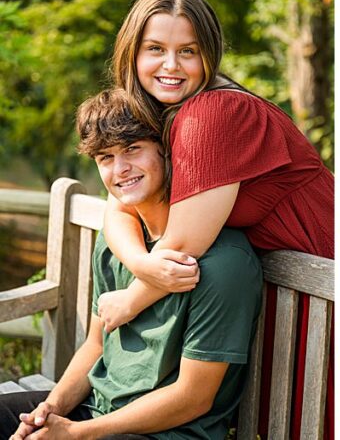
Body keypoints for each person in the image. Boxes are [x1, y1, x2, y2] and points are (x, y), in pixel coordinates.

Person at [98, 0, 333, 439]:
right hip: (276, 290)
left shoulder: (215, 112)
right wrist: (142, 263)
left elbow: (185, 246)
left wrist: (128, 299)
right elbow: (119, 207)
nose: (171, 65)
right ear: (132, 53)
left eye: (187, 50)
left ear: (209, 53)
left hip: (319, 282)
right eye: (155, 49)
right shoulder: (164, 111)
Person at [4, 89, 261, 439]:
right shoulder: (119, 242)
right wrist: (53, 407)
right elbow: (96, 345)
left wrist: (78, 433)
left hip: (168, 432)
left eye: (132, 149)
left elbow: (193, 399)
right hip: (97, 411)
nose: (120, 169)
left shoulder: (225, 262)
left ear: (166, 151)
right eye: (105, 157)